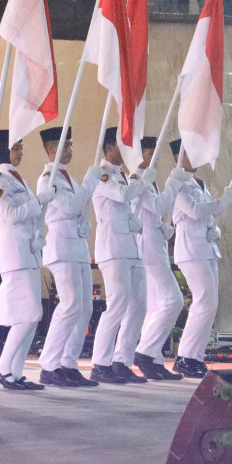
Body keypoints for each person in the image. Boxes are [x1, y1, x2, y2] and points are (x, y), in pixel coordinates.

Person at [36, 126, 102, 388]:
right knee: (70, 304)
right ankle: (50, 365)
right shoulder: (48, 178)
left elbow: (79, 210)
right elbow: (72, 205)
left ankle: (68, 363)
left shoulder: (68, 178)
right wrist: (90, 183)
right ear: (53, 150)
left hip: (78, 248)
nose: (72, 150)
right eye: (67, 146)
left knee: (84, 307)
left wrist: (85, 223)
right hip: (62, 249)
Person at [0, 130, 52, 390]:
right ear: (2, 150)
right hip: (15, 255)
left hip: (28, 253)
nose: (19, 151)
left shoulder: (19, 179)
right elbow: (11, 216)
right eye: (15, 147)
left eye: (21, 146)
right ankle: (3, 368)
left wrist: (38, 234)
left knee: (28, 316)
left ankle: (14, 372)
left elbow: (30, 217)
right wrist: (38, 202)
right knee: (30, 314)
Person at [89, 128, 154, 385]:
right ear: (108, 148)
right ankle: (100, 363)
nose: (125, 150)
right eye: (120, 145)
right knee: (116, 306)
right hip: (113, 249)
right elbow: (122, 196)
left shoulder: (121, 176)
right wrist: (143, 180)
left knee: (138, 305)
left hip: (130, 248)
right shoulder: (102, 175)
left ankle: (121, 361)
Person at [168, 138, 232, 378]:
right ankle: (185, 356)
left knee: (210, 304)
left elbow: (206, 215)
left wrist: (214, 228)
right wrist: (222, 202)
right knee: (204, 302)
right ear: (180, 156)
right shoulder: (176, 183)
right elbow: (194, 210)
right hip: (190, 250)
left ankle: (194, 356)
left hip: (205, 248)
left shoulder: (198, 182)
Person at [131, 137, 185, 380]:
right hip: (149, 252)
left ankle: (153, 359)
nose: (152, 157)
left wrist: (164, 229)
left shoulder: (147, 181)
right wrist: (173, 184)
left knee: (155, 307)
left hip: (155, 248)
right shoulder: (138, 180)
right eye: (148, 152)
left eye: (154, 153)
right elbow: (159, 204)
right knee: (174, 301)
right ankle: (144, 351)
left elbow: (152, 214)